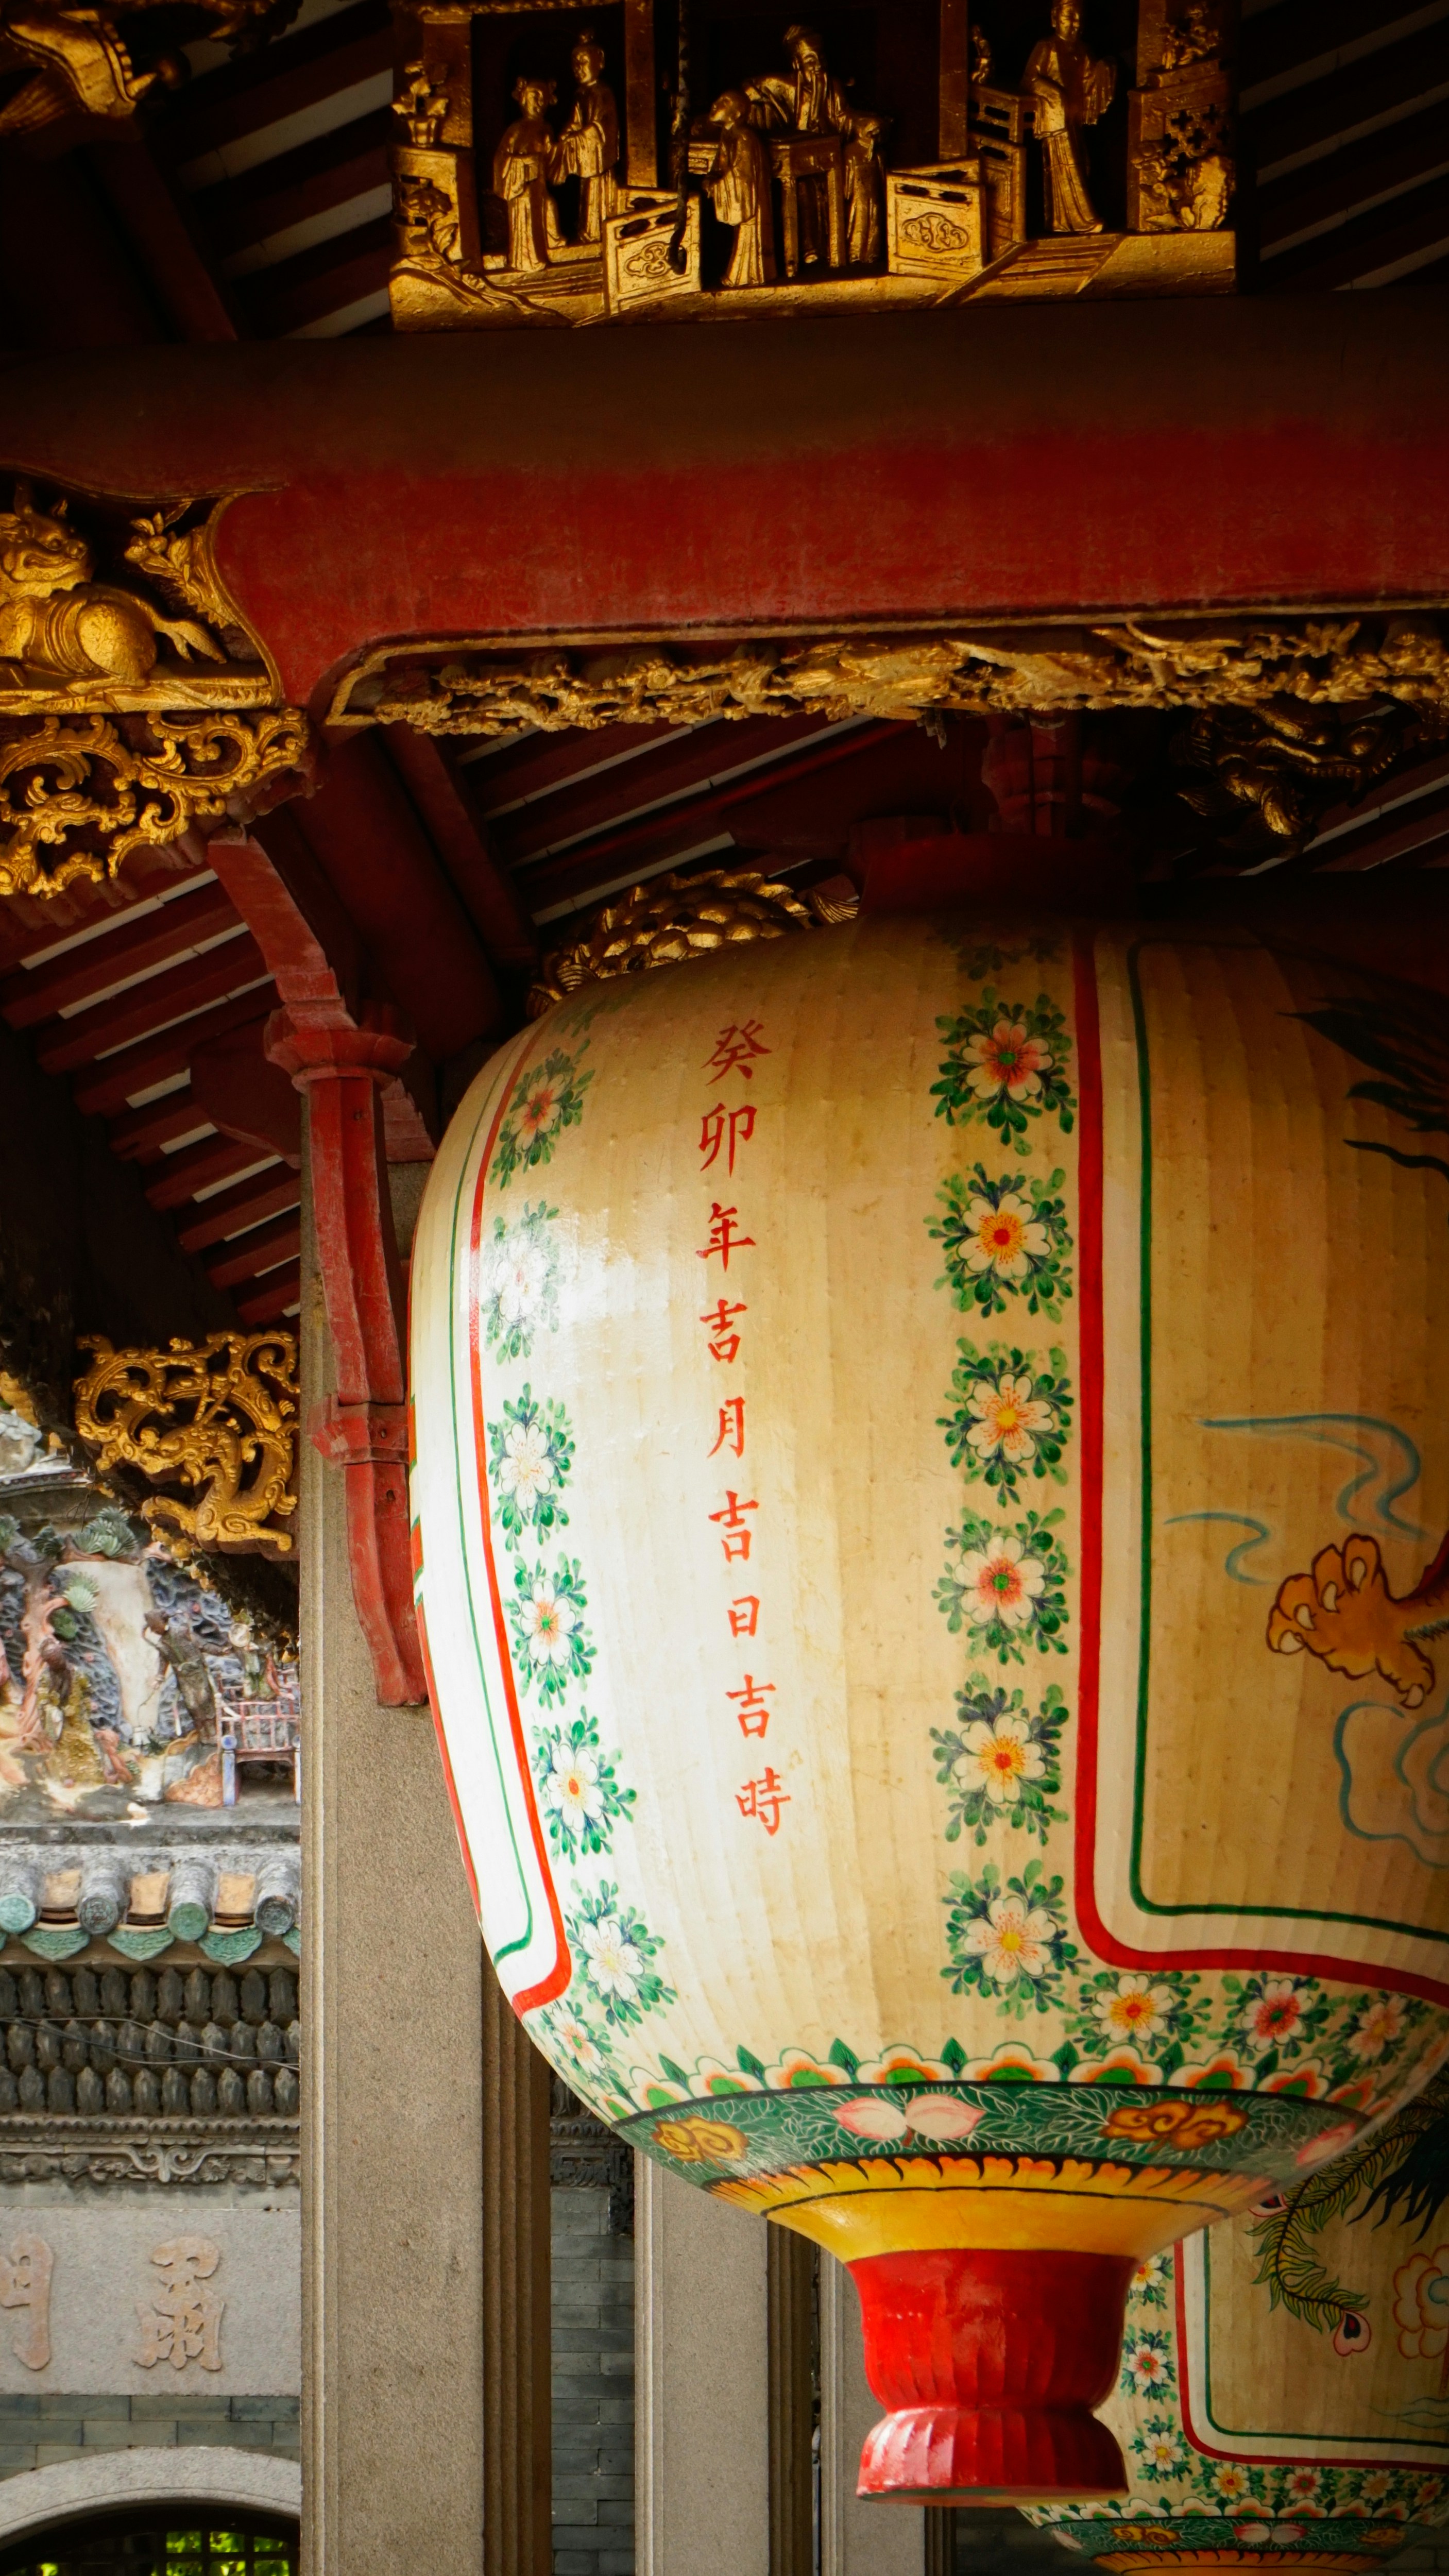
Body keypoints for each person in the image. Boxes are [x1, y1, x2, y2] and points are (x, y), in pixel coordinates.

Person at [743, 24, 883, 267]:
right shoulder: (782, 85)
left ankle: (857, 249)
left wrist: (865, 124)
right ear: (797, 63)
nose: (818, 65)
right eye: (810, 60)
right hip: (794, 154)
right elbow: (747, 92)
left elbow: (844, 118)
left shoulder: (832, 85)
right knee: (804, 185)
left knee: (865, 162)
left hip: (831, 151)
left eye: (821, 59)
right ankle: (810, 249)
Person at [1024, 0, 1116, 236]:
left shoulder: (1083, 51)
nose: (1073, 24)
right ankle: (1082, 219)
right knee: (1067, 168)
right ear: (1055, 19)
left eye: (1077, 19)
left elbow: (1089, 82)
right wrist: (1056, 95)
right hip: (1056, 121)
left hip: (1073, 119)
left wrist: (1106, 69)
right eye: (1068, 17)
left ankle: (1064, 222)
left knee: (1083, 165)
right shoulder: (1047, 47)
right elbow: (1029, 80)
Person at [551, 30, 621, 245]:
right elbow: (576, 121)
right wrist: (567, 133)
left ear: (599, 61)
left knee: (598, 192)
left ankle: (599, 233)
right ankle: (588, 231)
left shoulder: (603, 92)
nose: (578, 68)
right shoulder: (580, 94)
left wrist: (579, 137)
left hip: (599, 158)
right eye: (575, 63)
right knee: (586, 192)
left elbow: (600, 126)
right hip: (587, 156)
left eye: (583, 61)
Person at [703, 90, 772, 286]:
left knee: (748, 235)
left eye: (725, 102)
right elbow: (719, 165)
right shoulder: (727, 135)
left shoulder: (744, 138)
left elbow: (743, 176)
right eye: (718, 99)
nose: (716, 104)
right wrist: (712, 177)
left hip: (750, 200)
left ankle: (747, 277)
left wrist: (718, 185)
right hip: (740, 197)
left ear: (737, 114)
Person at [493, 75, 558, 272]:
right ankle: (527, 261)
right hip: (521, 187)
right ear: (523, 99)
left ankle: (552, 243)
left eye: (542, 98)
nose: (538, 103)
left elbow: (551, 157)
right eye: (534, 97)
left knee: (549, 207)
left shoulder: (546, 128)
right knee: (527, 218)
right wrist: (522, 163)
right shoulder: (516, 129)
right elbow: (501, 158)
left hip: (539, 184)